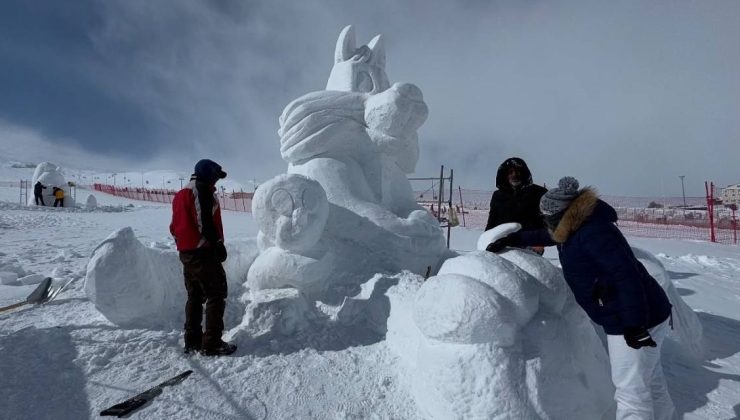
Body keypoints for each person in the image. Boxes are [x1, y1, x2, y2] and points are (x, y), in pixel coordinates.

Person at [487, 176, 674, 420]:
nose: (546, 221)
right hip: (648, 310)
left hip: (632, 319)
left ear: (562, 215)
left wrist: (634, 324)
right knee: (651, 377)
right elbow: (549, 235)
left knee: (631, 392)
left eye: (548, 217)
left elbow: (627, 277)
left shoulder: (594, 233)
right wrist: (514, 239)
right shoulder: (576, 226)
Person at [170, 159, 236, 356]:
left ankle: (192, 341)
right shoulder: (199, 190)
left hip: (187, 253)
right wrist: (216, 245)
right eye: (216, 175)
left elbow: (174, 227)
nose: (217, 180)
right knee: (216, 293)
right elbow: (203, 221)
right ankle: (212, 343)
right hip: (202, 253)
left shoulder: (180, 194)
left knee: (195, 296)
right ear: (208, 173)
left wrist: (183, 245)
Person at [485, 157, 547, 254]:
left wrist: (539, 244)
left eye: (518, 172)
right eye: (510, 172)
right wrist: (485, 240)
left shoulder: (538, 193)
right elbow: (492, 221)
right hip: (501, 246)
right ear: (505, 175)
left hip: (529, 245)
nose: (514, 175)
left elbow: (545, 221)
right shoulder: (498, 195)